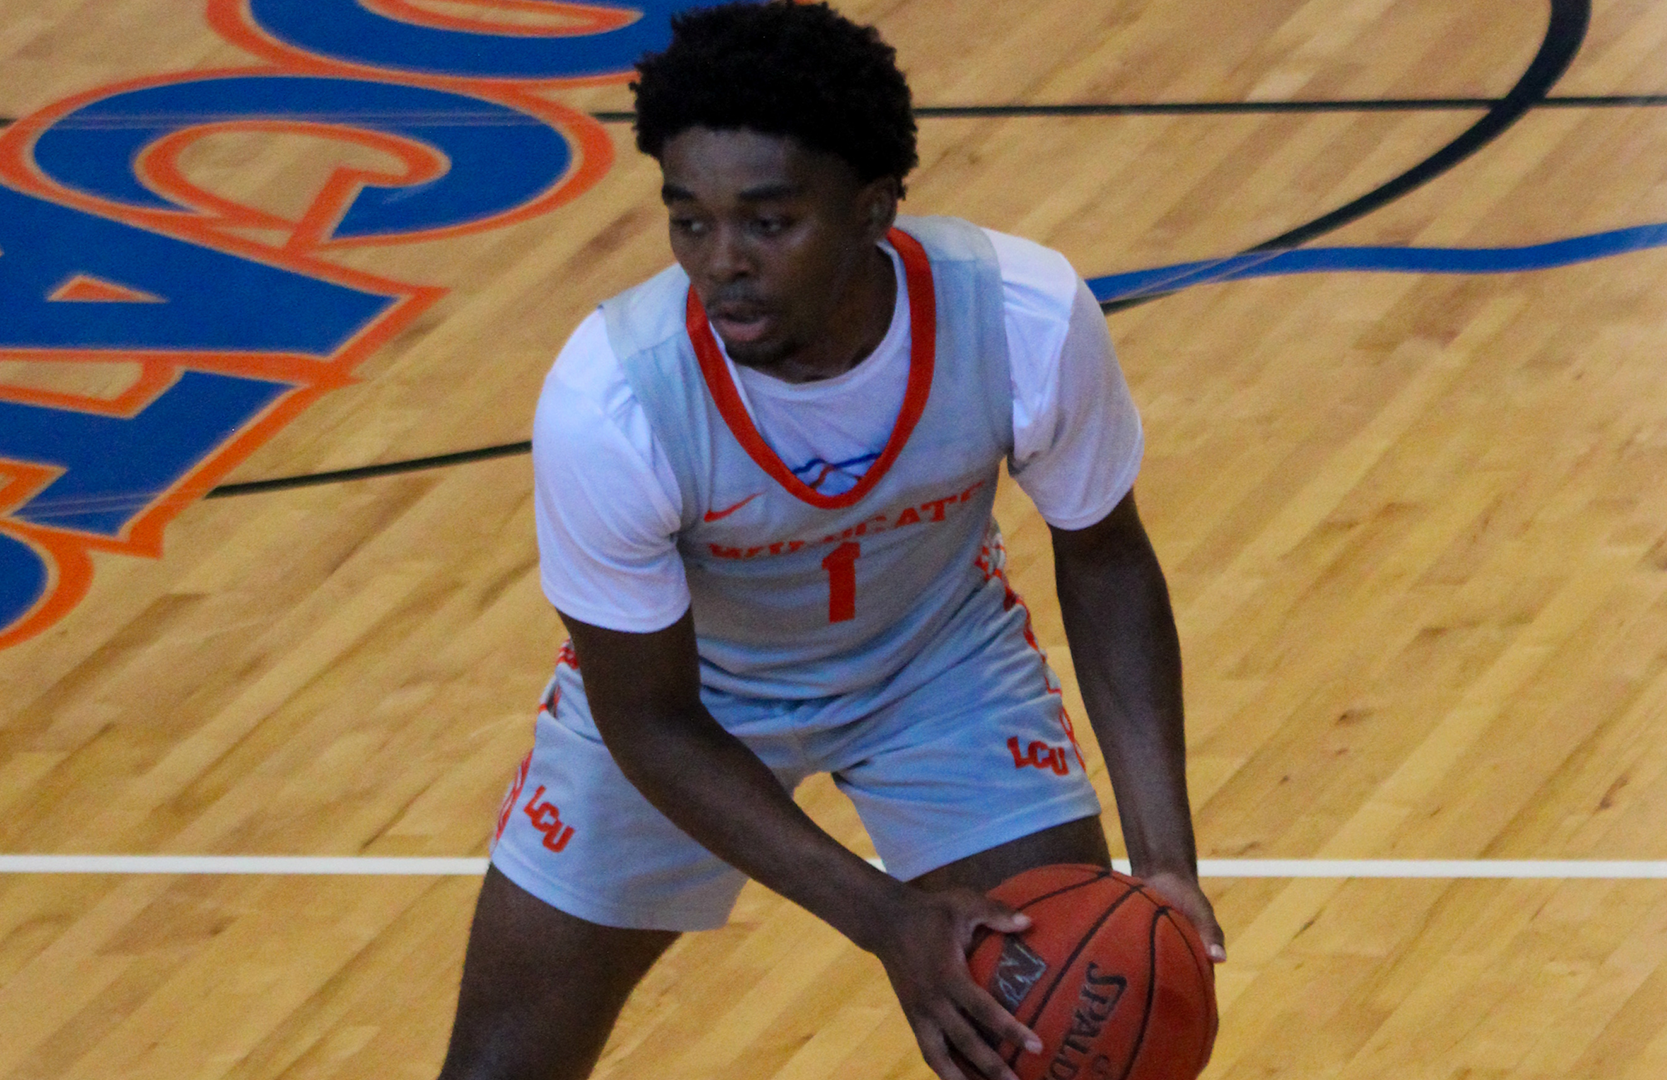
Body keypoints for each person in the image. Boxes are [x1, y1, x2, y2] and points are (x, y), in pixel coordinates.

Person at [437, 4, 1223, 1079]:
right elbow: (647, 715)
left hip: (937, 671)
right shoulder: (614, 396)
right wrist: (884, 917)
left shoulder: (1020, 315)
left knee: (1065, 1037)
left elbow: (1107, 557)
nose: (722, 264)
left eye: (768, 222)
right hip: (693, 702)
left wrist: (1164, 862)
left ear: (873, 209)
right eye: (691, 221)